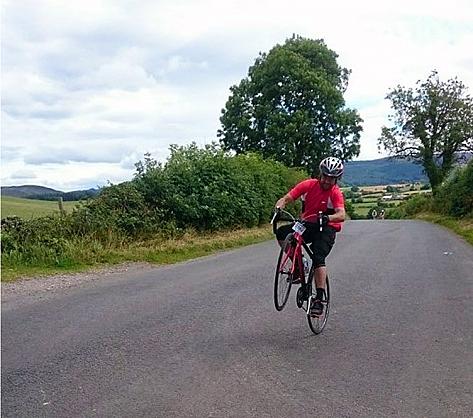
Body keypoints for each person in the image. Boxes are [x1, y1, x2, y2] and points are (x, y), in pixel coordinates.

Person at [274, 157, 346, 316]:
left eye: (331, 178)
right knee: (282, 233)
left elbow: (341, 214)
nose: (327, 181)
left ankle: (319, 299)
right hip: (308, 224)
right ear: (320, 174)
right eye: (325, 176)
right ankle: (299, 265)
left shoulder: (335, 193)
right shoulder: (308, 185)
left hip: (326, 228)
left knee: (318, 257)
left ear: (337, 179)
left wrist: (328, 218)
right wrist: (280, 205)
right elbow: (288, 197)